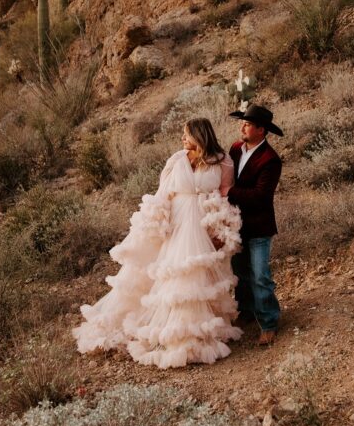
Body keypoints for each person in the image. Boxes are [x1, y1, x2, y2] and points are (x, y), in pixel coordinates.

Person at [73, 118, 244, 368]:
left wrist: (220, 226)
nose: (183, 139)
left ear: (199, 135)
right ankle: (168, 334)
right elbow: (163, 193)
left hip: (201, 221)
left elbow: (226, 192)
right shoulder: (177, 160)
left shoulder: (223, 160)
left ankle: (194, 332)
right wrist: (154, 224)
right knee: (174, 273)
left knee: (197, 275)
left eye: (186, 135)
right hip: (177, 221)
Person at [227, 104, 283, 346]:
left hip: (259, 226)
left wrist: (230, 192)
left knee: (260, 276)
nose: (242, 127)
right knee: (240, 274)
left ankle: (269, 322)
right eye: (243, 122)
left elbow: (261, 196)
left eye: (248, 124)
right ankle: (247, 312)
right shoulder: (236, 148)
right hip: (236, 224)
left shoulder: (270, 160)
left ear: (261, 130)